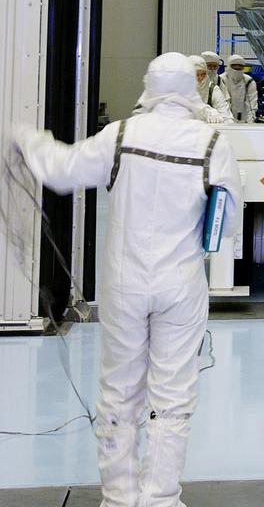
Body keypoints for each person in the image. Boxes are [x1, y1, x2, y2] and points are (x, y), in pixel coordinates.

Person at [13, 52, 243, 507]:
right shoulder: (213, 144)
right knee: (173, 395)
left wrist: (26, 139)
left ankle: (119, 499)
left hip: (124, 286)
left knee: (119, 393)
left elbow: (62, 170)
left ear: (149, 87)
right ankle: (160, 499)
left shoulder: (120, 135)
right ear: (190, 87)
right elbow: (228, 223)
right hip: (181, 285)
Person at [189, 53, 232, 122]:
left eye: (203, 74)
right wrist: (207, 112)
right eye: (196, 74)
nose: (200, 78)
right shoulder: (180, 89)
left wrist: (220, 118)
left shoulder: (212, 89)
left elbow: (226, 116)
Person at [221, 53, 258, 123]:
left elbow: (251, 105)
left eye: (240, 66)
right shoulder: (221, 80)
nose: (237, 67)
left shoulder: (248, 81)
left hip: (244, 121)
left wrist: (250, 123)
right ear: (229, 66)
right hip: (224, 121)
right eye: (234, 65)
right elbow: (221, 104)